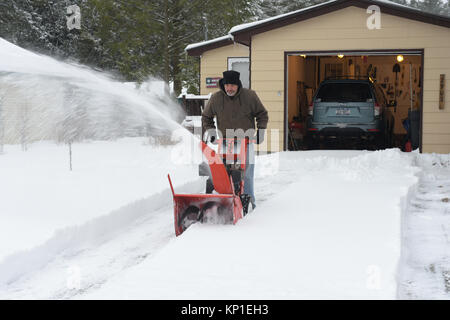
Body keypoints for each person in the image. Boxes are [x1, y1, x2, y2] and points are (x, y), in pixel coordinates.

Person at [201, 70, 268, 210]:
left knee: (246, 173)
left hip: (246, 141)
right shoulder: (216, 98)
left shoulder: (249, 96)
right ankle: (224, 202)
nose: (229, 88)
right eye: (226, 85)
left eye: (232, 85)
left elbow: (262, 114)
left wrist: (261, 131)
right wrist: (212, 132)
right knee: (224, 172)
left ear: (238, 85)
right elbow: (206, 117)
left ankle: (249, 202)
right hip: (226, 142)